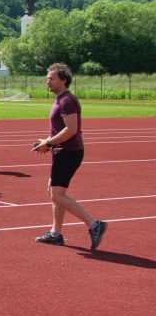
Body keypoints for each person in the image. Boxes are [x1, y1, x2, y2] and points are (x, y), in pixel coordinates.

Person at [34, 64, 107, 249]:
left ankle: (94, 224)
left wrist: (49, 143)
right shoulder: (61, 99)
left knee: (57, 195)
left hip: (69, 152)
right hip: (63, 151)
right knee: (55, 193)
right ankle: (56, 233)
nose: (47, 81)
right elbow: (62, 130)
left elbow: (71, 129)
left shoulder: (67, 100)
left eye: (52, 78)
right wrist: (47, 141)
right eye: (47, 78)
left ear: (64, 80)